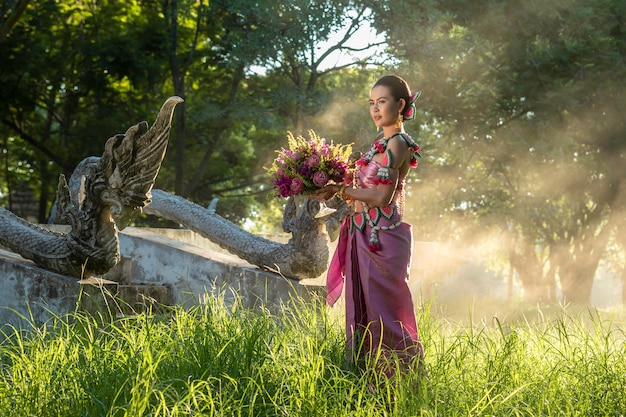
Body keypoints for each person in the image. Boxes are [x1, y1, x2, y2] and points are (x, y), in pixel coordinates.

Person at [311, 75, 425, 377]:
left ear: (401, 104)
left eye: (382, 101)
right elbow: (360, 185)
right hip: (363, 234)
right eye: (372, 103)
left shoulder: (399, 144)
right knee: (363, 311)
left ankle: (403, 384)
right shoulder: (379, 144)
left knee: (386, 314)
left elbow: (381, 195)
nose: (375, 109)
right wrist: (326, 178)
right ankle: (366, 382)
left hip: (383, 240)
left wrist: (340, 190)